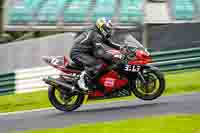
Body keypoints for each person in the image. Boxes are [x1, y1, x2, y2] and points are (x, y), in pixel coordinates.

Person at [70, 17, 125, 92]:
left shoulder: (98, 33)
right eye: (107, 28)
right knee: (97, 64)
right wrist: (113, 56)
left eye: (109, 29)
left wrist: (121, 48)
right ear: (101, 27)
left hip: (85, 52)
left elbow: (109, 43)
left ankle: (98, 83)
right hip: (78, 53)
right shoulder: (96, 35)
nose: (109, 30)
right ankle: (82, 81)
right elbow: (99, 52)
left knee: (104, 63)